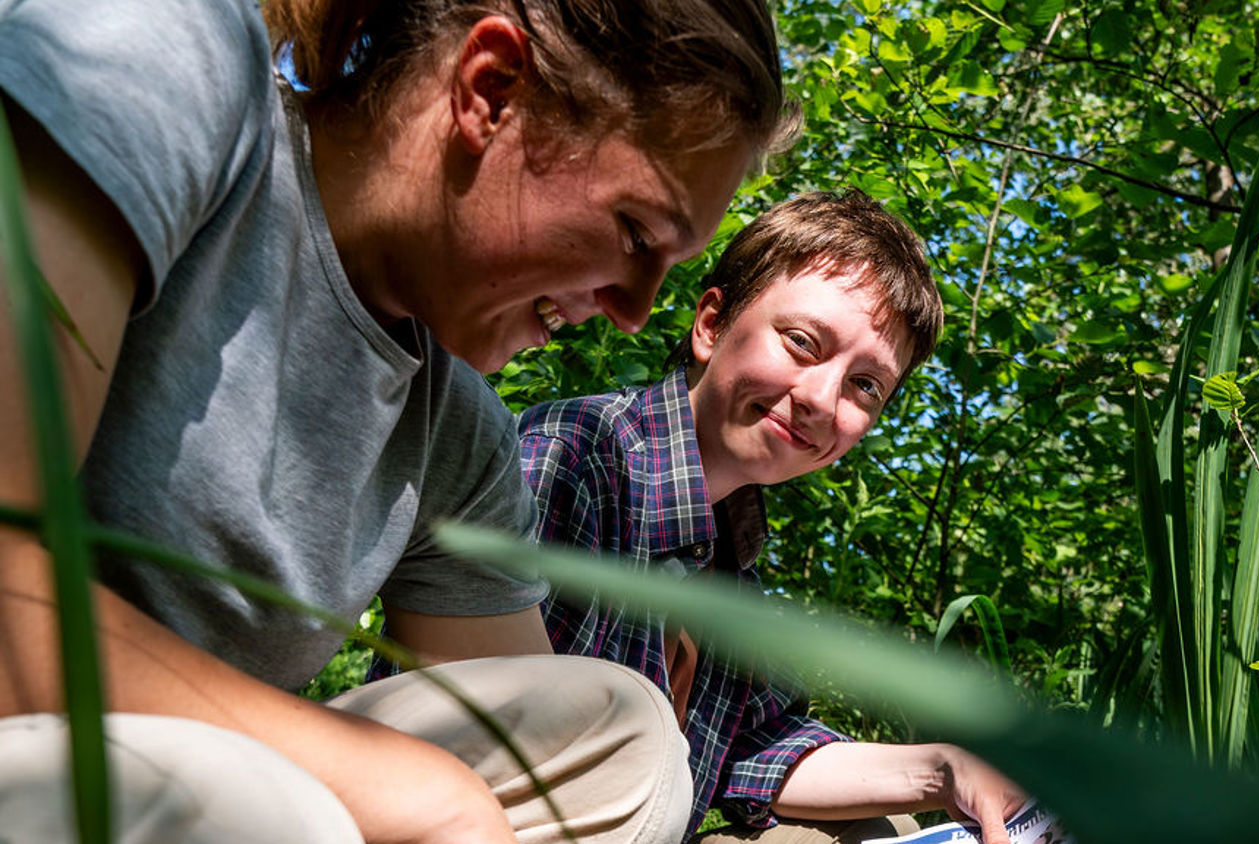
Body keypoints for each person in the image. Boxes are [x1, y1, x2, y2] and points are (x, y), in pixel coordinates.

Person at [0, 0, 797, 842]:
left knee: (622, 737)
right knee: (285, 811)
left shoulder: (452, 434)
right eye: (637, 232)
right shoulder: (161, 55)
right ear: (491, 90)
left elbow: (527, 749)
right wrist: (410, 794)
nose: (638, 312)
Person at [518, 191, 1028, 844]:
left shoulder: (726, 567)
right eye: (802, 342)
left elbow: (762, 748)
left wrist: (945, 769)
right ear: (710, 325)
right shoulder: (579, 458)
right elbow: (474, 721)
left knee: (879, 826)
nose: (821, 398)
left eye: (865, 386)